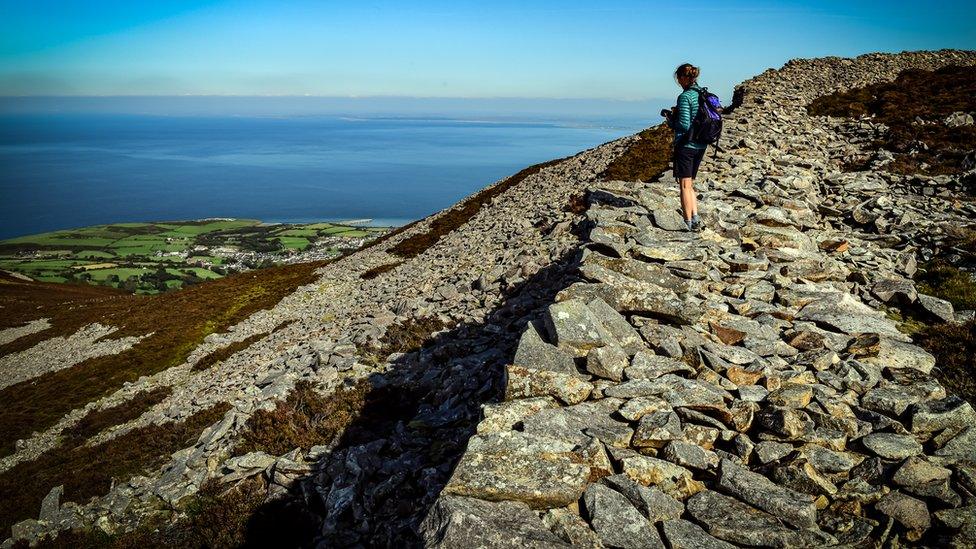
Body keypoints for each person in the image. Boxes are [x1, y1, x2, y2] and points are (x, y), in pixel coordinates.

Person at [663, 63, 708, 232]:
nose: (678, 81)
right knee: (690, 184)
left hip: (686, 144)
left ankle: (687, 223)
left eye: (678, 78)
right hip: (701, 144)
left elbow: (684, 124)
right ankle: (695, 217)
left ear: (683, 77)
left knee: (683, 185)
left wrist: (671, 120)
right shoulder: (701, 93)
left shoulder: (685, 97)